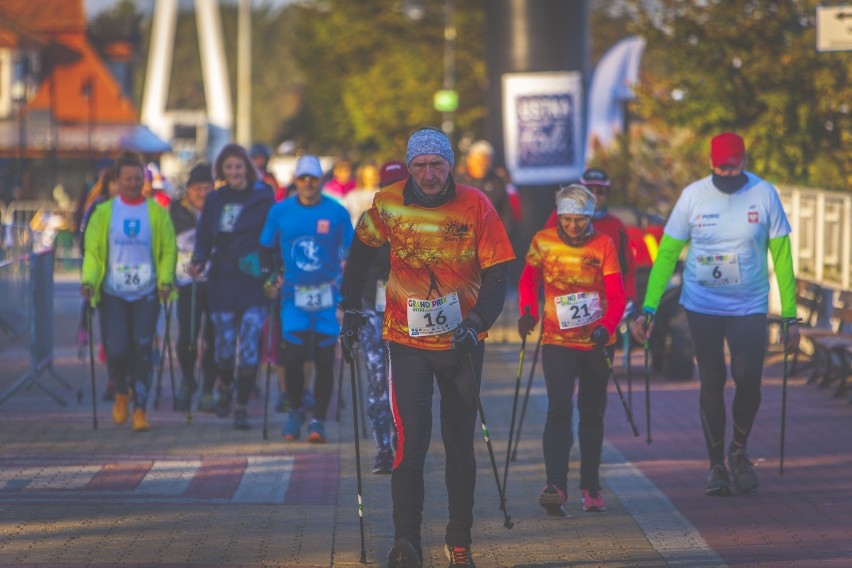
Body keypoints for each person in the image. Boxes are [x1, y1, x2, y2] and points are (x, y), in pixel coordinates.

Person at [339, 128, 515, 567]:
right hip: (407, 342)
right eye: (420, 165)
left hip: (461, 344)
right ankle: (407, 542)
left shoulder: (477, 204)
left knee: (460, 445)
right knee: (410, 443)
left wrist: (476, 323)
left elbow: (498, 275)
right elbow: (359, 254)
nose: (429, 173)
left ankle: (459, 540)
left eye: (437, 164)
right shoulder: (388, 202)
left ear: (450, 165)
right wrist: (349, 311)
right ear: (410, 166)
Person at [632, 132, 800, 496]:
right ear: (710, 163)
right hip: (702, 305)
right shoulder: (693, 196)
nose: (726, 170)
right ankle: (716, 467)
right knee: (711, 380)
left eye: (733, 164)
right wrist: (649, 306)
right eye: (720, 165)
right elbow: (665, 254)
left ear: (744, 160)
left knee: (749, 381)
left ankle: (738, 451)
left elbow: (783, 256)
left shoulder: (763, 194)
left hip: (749, 305)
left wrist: (789, 314)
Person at [518, 184, 626, 516]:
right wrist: (528, 312)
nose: (573, 226)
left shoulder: (603, 244)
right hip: (557, 341)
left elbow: (617, 295)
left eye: (579, 219)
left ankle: (591, 486)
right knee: (559, 409)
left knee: (591, 412)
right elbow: (528, 280)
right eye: (567, 219)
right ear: (559, 216)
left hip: (595, 342)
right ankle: (556, 486)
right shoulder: (543, 241)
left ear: (589, 216)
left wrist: (607, 326)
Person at [80, 150, 177, 432]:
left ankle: (140, 410)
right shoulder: (104, 213)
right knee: (118, 349)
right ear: (117, 181)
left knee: (143, 349)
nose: (133, 183)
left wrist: (166, 280)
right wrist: (88, 280)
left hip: (147, 292)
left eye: (138, 179)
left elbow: (168, 250)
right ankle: (122, 391)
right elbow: (93, 253)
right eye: (128, 179)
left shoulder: (157, 213)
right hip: (113, 293)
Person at [260, 155, 354, 443]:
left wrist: (348, 289)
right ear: (296, 181)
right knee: (294, 358)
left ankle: (318, 420)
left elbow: (352, 253)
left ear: (322, 181)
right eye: (303, 178)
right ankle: (295, 411)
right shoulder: (280, 212)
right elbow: (265, 248)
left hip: (327, 296)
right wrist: (269, 278)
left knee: (325, 361)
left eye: (313, 179)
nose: (309, 184)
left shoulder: (337, 212)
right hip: (292, 297)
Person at [189, 144, 275, 430]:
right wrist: (198, 259)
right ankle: (225, 386)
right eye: (229, 167)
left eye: (239, 166)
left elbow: (272, 234)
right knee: (224, 348)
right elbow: (203, 237)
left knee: (249, 345)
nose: (234, 172)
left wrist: (275, 268)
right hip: (222, 279)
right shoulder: (214, 199)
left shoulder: (263, 196)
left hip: (252, 278)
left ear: (247, 168)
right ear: (222, 171)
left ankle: (241, 406)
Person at [358, 160, 408, 474]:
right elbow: (354, 267)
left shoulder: (421, 221)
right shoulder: (369, 222)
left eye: (400, 185)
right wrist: (349, 308)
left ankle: (404, 444)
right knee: (377, 382)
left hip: (409, 314)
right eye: (387, 185)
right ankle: (382, 450)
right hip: (373, 312)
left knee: (405, 384)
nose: (394, 192)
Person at [542, 168, 637, 304]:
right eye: (589, 190)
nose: (594, 195)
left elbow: (627, 270)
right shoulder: (560, 217)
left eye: (600, 192)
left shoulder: (616, 226)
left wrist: (629, 300)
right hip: (566, 302)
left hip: (604, 305)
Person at [171, 162, 217, 413]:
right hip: (187, 281)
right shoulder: (175, 210)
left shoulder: (218, 208)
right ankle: (188, 380)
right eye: (197, 188)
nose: (202, 193)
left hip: (215, 281)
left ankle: (209, 388)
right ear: (188, 189)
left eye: (207, 188)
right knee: (188, 336)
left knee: (213, 337)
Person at [454, 140, 517, 234]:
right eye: (479, 161)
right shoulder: (457, 182)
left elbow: (506, 211)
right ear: (469, 160)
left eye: (486, 161)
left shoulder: (497, 181)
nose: (482, 165)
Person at [342, 160, 381, 227]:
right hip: (356, 234)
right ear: (362, 176)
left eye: (374, 174)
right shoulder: (352, 196)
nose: (372, 178)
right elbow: (342, 216)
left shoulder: (383, 194)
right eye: (368, 176)